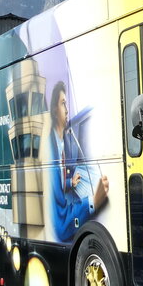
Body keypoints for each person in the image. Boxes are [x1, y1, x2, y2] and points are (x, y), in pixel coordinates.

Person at [49, 81, 108, 240]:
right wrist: (93, 201)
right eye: (63, 104)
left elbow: (57, 183)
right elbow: (60, 226)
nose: (67, 110)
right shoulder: (50, 150)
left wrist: (70, 183)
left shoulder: (60, 142)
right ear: (55, 110)